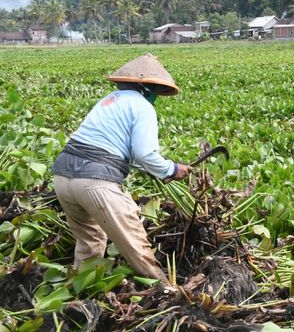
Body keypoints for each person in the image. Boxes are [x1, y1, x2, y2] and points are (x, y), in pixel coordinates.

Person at [52, 53, 192, 282]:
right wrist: (171, 169)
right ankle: (166, 290)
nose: (155, 96)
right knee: (136, 245)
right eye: (154, 91)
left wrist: (163, 168)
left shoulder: (110, 100)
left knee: (90, 241)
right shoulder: (142, 107)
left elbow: (126, 153)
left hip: (63, 176)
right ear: (144, 87)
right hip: (94, 182)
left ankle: (77, 292)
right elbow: (145, 153)